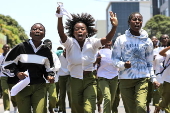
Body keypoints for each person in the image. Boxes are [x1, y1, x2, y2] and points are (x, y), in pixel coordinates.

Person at [56, 5, 118, 113]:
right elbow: (61, 34)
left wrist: (114, 27)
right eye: (76, 29)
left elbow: (107, 39)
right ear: (73, 32)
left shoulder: (93, 42)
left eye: (82, 29)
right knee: (77, 109)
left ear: (87, 31)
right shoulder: (69, 43)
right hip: (75, 79)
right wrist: (60, 17)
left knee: (89, 109)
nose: (79, 31)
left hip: (90, 79)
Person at [1, 23, 55, 113]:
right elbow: (7, 64)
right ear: (30, 33)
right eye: (34, 29)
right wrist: (17, 73)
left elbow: (49, 69)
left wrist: (49, 76)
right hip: (22, 86)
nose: (37, 31)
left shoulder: (46, 51)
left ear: (44, 34)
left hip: (39, 87)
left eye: (40, 30)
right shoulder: (21, 47)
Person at [111, 12, 159, 113]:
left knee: (141, 107)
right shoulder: (121, 39)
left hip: (142, 78)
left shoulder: (147, 41)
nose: (137, 22)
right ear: (129, 22)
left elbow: (149, 62)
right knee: (130, 110)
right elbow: (114, 59)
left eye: (140, 20)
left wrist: (153, 78)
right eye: (134, 19)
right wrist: (123, 65)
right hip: (125, 80)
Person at [95, 41, 119, 113]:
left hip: (114, 77)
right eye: (106, 41)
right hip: (103, 77)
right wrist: (97, 61)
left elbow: (119, 64)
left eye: (109, 41)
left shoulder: (115, 53)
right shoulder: (98, 53)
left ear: (111, 43)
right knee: (107, 97)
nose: (108, 43)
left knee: (112, 98)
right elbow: (93, 65)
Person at [43, 39, 61, 113]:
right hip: (42, 80)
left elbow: (58, 65)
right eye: (47, 45)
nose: (49, 46)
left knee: (53, 97)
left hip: (52, 80)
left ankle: (51, 108)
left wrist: (50, 69)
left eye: (50, 45)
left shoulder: (54, 54)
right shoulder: (40, 55)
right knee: (42, 100)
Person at [0, 44, 18, 113]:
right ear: (2, 48)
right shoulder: (0, 57)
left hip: (11, 76)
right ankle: (6, 109)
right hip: (3, 76)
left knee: (13, 92)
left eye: (8, 47)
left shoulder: (13, 56)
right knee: (5, 92)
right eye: (5, 47)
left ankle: (15, 106)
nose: (7, 48)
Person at [57, 49, 71, 113]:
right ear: (64, 51)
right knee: (62, 93)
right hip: (61, 76)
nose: (66, 53)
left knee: (69, 91)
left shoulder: (70, 56)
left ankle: (72, 106)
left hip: (69, 75)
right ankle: (62, 109)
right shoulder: (59, 56)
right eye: (65, 51)